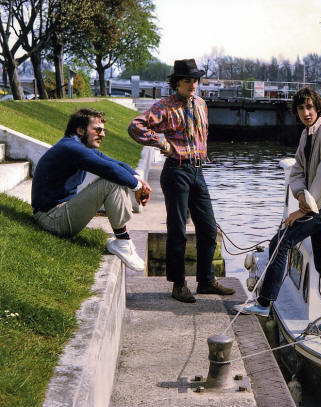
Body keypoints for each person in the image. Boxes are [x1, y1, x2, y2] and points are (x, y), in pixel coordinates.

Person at [235, 87, 321, 333]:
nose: (306, 112)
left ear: (318, 108)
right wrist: (298, 193)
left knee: (281, 241)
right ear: (296, 112)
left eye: (310, 107)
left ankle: (264, 303)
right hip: (318, 206)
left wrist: (303, 210)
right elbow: (297, 169)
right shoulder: (306, 134)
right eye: (301, 108)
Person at [128, 58, 235, 303]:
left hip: (198, 171)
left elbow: (202, 135)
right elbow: (135, 126)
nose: (193, 84)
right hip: (176, 171)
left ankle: (206, 281)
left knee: (208, 229)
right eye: (187, 80)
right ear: (177, 82)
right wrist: (161, 142)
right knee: (177, 230)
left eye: (195, 80)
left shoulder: (201, 104)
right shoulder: (165, 106)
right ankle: (178, 284)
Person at [31, 108, 150, 271]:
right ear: (80, 130)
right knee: (111, 181)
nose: (103, 134)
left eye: (104, 130)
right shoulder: (71, 148)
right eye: (98, 130)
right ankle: (123, 241)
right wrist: (136, 187)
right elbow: (110, 170)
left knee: (117, 176)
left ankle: (123, 242)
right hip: (51, 219)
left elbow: (117, 164)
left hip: (60, 212)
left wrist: (139, 180)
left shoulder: (79, 146)